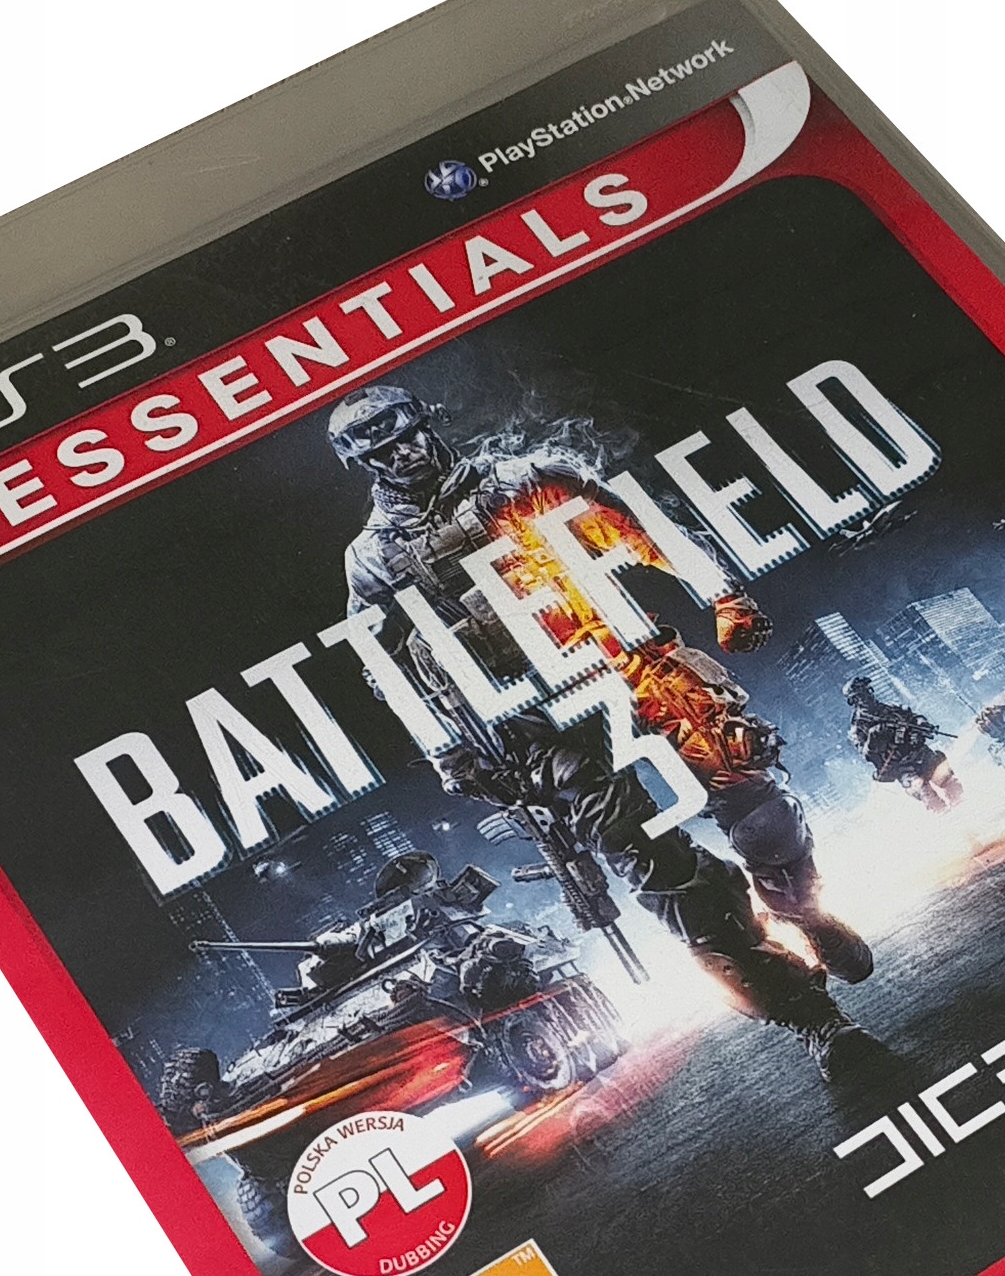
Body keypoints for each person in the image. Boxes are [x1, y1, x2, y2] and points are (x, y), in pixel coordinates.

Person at [325, 384, 877, 1077]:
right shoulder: (372, 559)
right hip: (538, 727)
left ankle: (806, 911)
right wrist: (449, 753)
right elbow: (385, 665)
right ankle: (815, 1019)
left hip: (626, 662)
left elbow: (640, 528)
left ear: (426, 424)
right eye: (383, 451)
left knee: (754, 801)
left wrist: (724, 594)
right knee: (662, 875)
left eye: (406, 435)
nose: (403, 454)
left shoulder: (518, 478)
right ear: (365, 464)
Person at [844, 676, 964, 812]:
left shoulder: (892, 708)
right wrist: (875, 735)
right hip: (900, 766)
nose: (867, 696)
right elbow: (866, 754)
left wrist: (922, 725)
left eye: (868, 691)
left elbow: (915, 717)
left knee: (951, 785)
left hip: (920, 753)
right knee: (928, 797)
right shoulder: (858, 727)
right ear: (854, 700)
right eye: (861, 695)